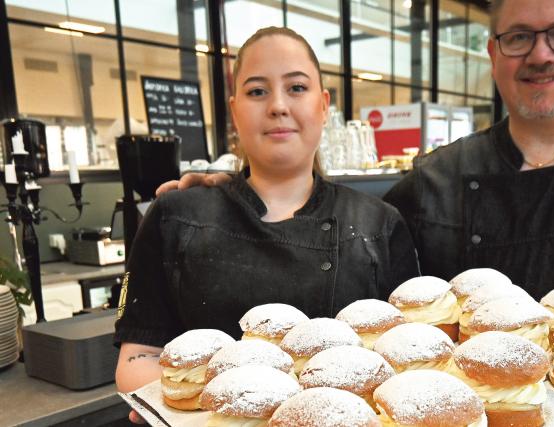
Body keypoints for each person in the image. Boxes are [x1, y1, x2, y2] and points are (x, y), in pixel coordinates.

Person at [166, 1, 554, 425]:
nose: (541, 54)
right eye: (519, 36)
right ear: (494, 54)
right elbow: (332, 223)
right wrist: (236, 194)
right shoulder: (433, 178)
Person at [114, 27, 419, 423]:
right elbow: (139, 356)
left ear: (323, 105)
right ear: (235, 110)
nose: (277, 105)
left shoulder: (378, 224)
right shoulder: (176, 216)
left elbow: (406, 362)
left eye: (296, 88)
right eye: (257, 91)